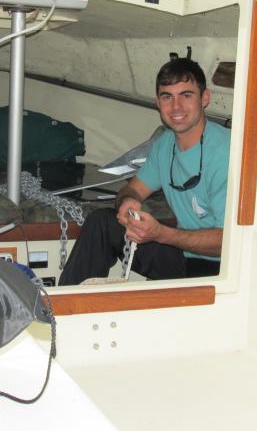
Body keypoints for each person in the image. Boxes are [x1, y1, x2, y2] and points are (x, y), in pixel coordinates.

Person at [59, 57, 230, 285]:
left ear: (205, 98)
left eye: (186, 95)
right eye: (167, 97)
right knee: (102, 222)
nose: (176, 107)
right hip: (181, 256)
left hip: (218, 268)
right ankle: (67, 307)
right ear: (158, 103)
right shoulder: (165, 144)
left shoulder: (226, 152)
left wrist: (162, 234)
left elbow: (226, 241)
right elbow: (133, 190)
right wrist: (128, 203)